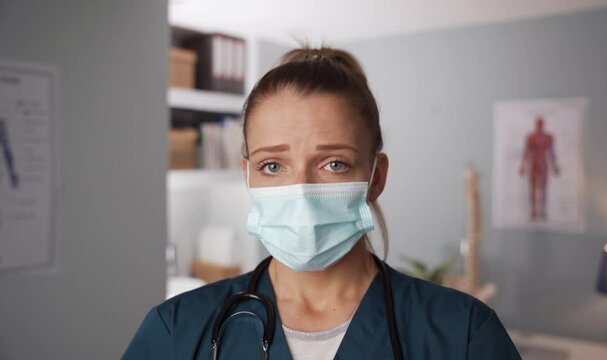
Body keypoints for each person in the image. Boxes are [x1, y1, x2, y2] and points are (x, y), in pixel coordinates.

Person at [123, 45, 522, 359]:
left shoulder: (463, 333)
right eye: (273, 165)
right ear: (248, 175)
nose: (302, 190)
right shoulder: (176, 330)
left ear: (375, 177)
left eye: (334, 163)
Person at [518, 116, 560, 220]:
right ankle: (533, 211)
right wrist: (523, 166)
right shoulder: (531, 137)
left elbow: (551, 153)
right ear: (535, 124)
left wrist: (555, 167)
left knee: (544, 189)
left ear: (543, 124)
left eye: (541, 123)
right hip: (534, 164)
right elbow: (527, 152)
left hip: (544, 164)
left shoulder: (548, 137)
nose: (539, 125)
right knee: (532, 189)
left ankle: (543, 211)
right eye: (538, 123)